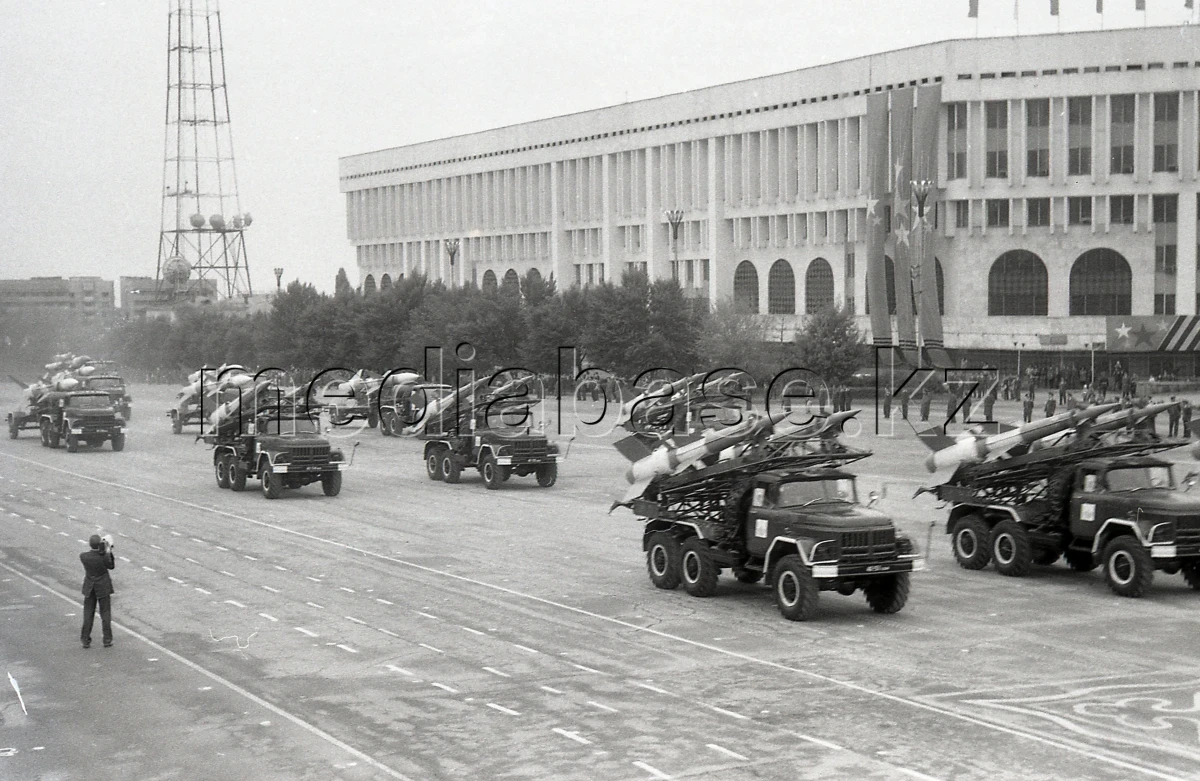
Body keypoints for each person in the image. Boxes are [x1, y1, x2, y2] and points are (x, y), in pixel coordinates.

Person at [80, 534, 116, 649]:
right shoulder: (104, 556)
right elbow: (111, 566)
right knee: (105, 613)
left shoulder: (84, 556)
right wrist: (108, 550)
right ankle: (107, 639)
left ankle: (85, 639)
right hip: (103, 586)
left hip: (90, 587)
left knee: (88, 613)